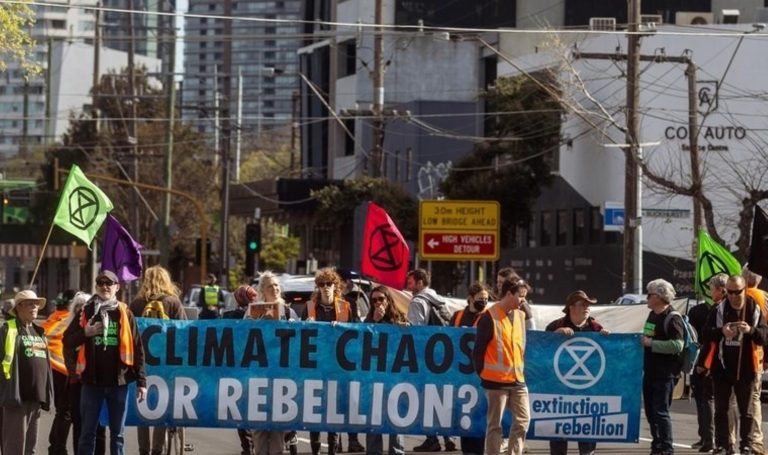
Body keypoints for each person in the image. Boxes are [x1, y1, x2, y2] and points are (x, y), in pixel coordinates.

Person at [63, 270, 147, 455]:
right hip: (92, 383)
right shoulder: (87, 310)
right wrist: (86, 332)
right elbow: (67, 340)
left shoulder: (125, 312)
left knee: (118, 435)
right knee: (87, 433)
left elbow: (138, 348)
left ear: (117, 287)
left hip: (119, 383)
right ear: (96, 287)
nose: (104, 286)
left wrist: (142, 382)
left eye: (109, 283)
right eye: (100, 283)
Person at [702, 275, 768, 455]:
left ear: (744, 290)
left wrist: (750, 330)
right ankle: (723, 444)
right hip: (722, 367)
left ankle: (746, 444)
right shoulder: (719, 309)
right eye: (728, 292)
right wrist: (721, 331)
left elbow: (764, 336)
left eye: (736, 292)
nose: (732, 296)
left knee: (746, 410)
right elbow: (705, 335)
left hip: (746, 367)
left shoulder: (753, 308)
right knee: (721, 409)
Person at [129, 265, 188, 455]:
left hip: (142, 363)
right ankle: (157, 449)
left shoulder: (137, 304)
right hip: (167, 363)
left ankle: (143, 449)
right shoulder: (173, 302)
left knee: (142, 406)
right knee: (161, 406)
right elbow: (184, 331)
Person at [302, 267, 360, 455]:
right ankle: (315, 450)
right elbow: (299, 337)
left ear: (336, 286)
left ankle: (333, 450)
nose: (325, 287)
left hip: (337, 369)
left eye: (329, 284)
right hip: (315, 368)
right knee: (315, 411)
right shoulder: (309, 307)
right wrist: (306, 327)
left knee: (333, 412)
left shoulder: (345, 307)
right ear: (317, 287)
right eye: (322, 284)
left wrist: (342, 327)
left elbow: (358, 333)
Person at [545, 290, 609, 455]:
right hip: (561, 390)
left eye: (589, 305)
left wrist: (607, 340)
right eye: (583, 304)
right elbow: (541, 351)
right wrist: (554, 336)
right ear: (571, 307)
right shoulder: (555, 326)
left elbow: (607, 357)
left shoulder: (597, 329)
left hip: (588, 390)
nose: (587, 307)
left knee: (587, 428)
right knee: (559, 430)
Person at [472, 277, 529, 455]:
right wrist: (484, 374)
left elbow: (521, 346)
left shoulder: (520, 315)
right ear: (509, 294)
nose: (523, 300)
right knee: (494, 425)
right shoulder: (489, 317)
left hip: (518, 380)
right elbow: (478, 351)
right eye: (521, 296)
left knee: (523, 420)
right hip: (495, 382)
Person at [406, 268, 457, 452]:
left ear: (420, 282)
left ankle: (432, 439)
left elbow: (416, 332)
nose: (408, 285)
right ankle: (448, 438)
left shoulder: (418, 301)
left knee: (426, 399)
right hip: (443, 357)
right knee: (441, 398)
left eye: (410, 282)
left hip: (425, 359)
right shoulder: (440, 300)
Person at [0, 290, 54, 455]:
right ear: (19, 307)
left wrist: (48, 394)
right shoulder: (7, 330)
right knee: (14, 448)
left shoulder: (39, 331)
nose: (35, 307)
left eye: (36, 304)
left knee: (31, 448)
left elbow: (46, 364)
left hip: (36, 397)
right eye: (30, 303)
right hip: (16, 398)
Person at [257, 272, 300, 455]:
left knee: (277, 434)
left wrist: (296, 328)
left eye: (276, 285)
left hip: (282, 380)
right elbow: (240, 338)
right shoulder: (253, 311)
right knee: (258, 432)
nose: (274, 288)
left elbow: (301, 344)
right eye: (269, 286)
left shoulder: (289, 312)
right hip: (258, 379)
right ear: (262, 291)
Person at [641, 278, 684, 455]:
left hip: (665, 374)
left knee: (660, 411)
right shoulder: (652, 315)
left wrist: (652, 343)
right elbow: (648, 336)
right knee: (651, 412)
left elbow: (677, 345)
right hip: (650, 372)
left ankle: (667, 447)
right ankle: (656, 444)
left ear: (658, 297)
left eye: (649, 294)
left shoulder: (672, 318)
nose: (647, 298)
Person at [364, 285, 407, 455]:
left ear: (388, 300)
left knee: (395, 418)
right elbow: (363, 340)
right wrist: (375, 322)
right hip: (374, 377)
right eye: (374, 300)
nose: (377, 303)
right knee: (374, 417)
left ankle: (397, 451)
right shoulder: (368, 320)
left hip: (395, 377)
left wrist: (406, 328)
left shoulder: (399, 318)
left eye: (381, 299)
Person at [63, 292, 108, 455]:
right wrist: (76, 376)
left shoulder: (99, 322)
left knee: (99, 428)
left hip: (98, 383)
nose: (81, 309)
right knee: (80, 426)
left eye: (84, 306)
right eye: (78, 306)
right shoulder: (75, 328)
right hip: (77, 385)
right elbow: (67, 345)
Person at [688, 273, 726, 453]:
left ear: (721, 290)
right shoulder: (725, 308)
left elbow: (711, 341)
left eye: (712, 288)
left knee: (708, 400)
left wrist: (705, 363)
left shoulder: (719, 309)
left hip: (713, 362)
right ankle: (712, 439)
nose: (710, 291)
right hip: (719, 361)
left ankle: (711, 440)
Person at [450, 282, 489, 455]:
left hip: (478, 374)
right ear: (470, 299)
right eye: (480, 299)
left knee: (478, 416)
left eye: (486, 299)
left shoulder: (488, 317)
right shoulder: (457, 316)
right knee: (463, 417)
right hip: (459, 374)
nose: (484, 302)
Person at [41, 289, 78, 455]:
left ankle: (54, 446)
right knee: (66, 412)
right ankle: (58, 449)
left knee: (61, 411)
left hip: (50, 368)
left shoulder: (54, 317)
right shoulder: (69, 319)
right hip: (64, 369)